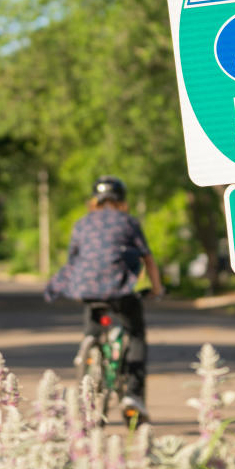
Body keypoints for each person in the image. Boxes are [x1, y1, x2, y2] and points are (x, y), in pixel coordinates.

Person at [45, 175, 164, 421]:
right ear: (122, 200)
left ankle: (88, 346)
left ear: (95, 200)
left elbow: (73, 261)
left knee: (93, 319)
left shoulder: (81, 224)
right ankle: (133, 394)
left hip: (87, 289)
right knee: (137, 333)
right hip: (120, 290)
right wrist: (157, 289)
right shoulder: (128, 222)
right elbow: (148, 259)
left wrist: (68, 287)